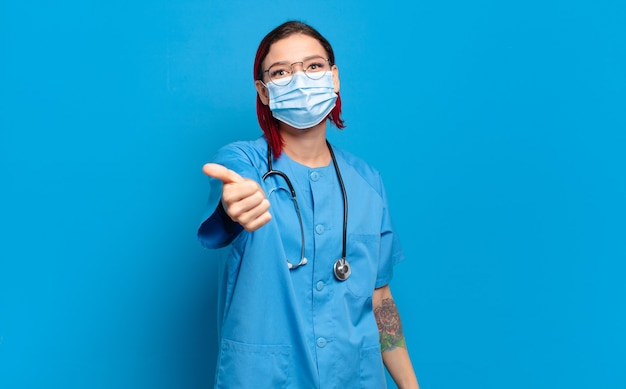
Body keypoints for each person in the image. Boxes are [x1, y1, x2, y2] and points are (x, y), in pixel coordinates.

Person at [198, 20, 420, 389]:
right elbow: (232, 191)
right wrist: (234, 204)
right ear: (264, 91)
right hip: (267, 378)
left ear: (334, 77)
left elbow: (380, 299)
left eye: (313, 66)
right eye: (281, 72)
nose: (299, 79)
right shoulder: (244, 163)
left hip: (355, 377)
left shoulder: (367, 181)